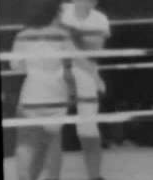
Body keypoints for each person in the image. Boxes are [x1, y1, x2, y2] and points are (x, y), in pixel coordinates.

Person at [10, 0, 78, 179]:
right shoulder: (63, 35)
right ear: (54, 13)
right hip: (57, 96)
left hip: (31, 95)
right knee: (53, 147)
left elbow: (16, 67)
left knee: (26, 144)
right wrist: (72, 92)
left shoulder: (23, 35)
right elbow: (71, 66)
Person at [59, 0, 110, 179]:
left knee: (88, 125)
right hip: (54, 71)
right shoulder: (60, 10)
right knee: (48, 125)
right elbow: (61, 46)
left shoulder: (100, 19)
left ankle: (95, 176)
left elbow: (94, 52)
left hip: (85, 72)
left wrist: (91, 74)